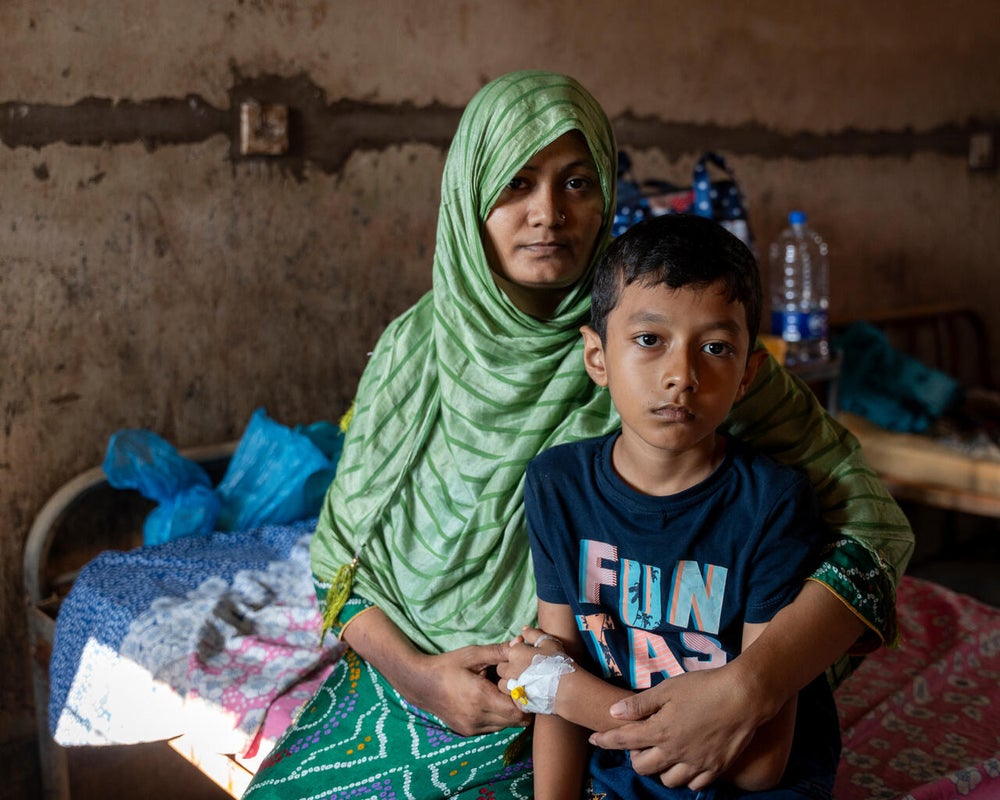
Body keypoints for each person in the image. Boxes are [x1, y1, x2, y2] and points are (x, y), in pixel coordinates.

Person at [242, 69, 913, 800]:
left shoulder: (662, 335)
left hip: (581, 710)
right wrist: (419, 677)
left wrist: (748, 687)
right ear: (468, 194)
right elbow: (342, 554)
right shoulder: (414, 349)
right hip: (417, 685)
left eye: (576, 182)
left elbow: (872, 529)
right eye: (515, 183)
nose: (549, 214)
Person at [503, 213, 841, 799]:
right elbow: (556, 673)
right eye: (649, 340)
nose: (681, 376)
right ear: (597, 356)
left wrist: (568, 692)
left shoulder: (772, 504)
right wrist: (555, 694)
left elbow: (760, 764)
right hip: (617, 772)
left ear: (747, 375)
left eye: (715, 348)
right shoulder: (558, 486)